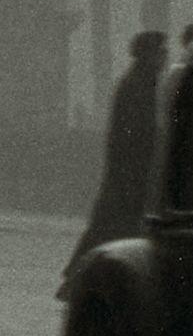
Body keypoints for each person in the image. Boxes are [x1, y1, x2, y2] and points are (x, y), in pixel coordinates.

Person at [59, 29, 168, 297]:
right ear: (150, 54)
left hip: (127, 172)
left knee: (108, 225)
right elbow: (138, 134)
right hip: (131, 173)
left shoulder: (138, 82)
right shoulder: (139, 85)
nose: (165, 56)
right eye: (161, 51)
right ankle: (79, 278)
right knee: (113, 226)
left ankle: (76, 277)